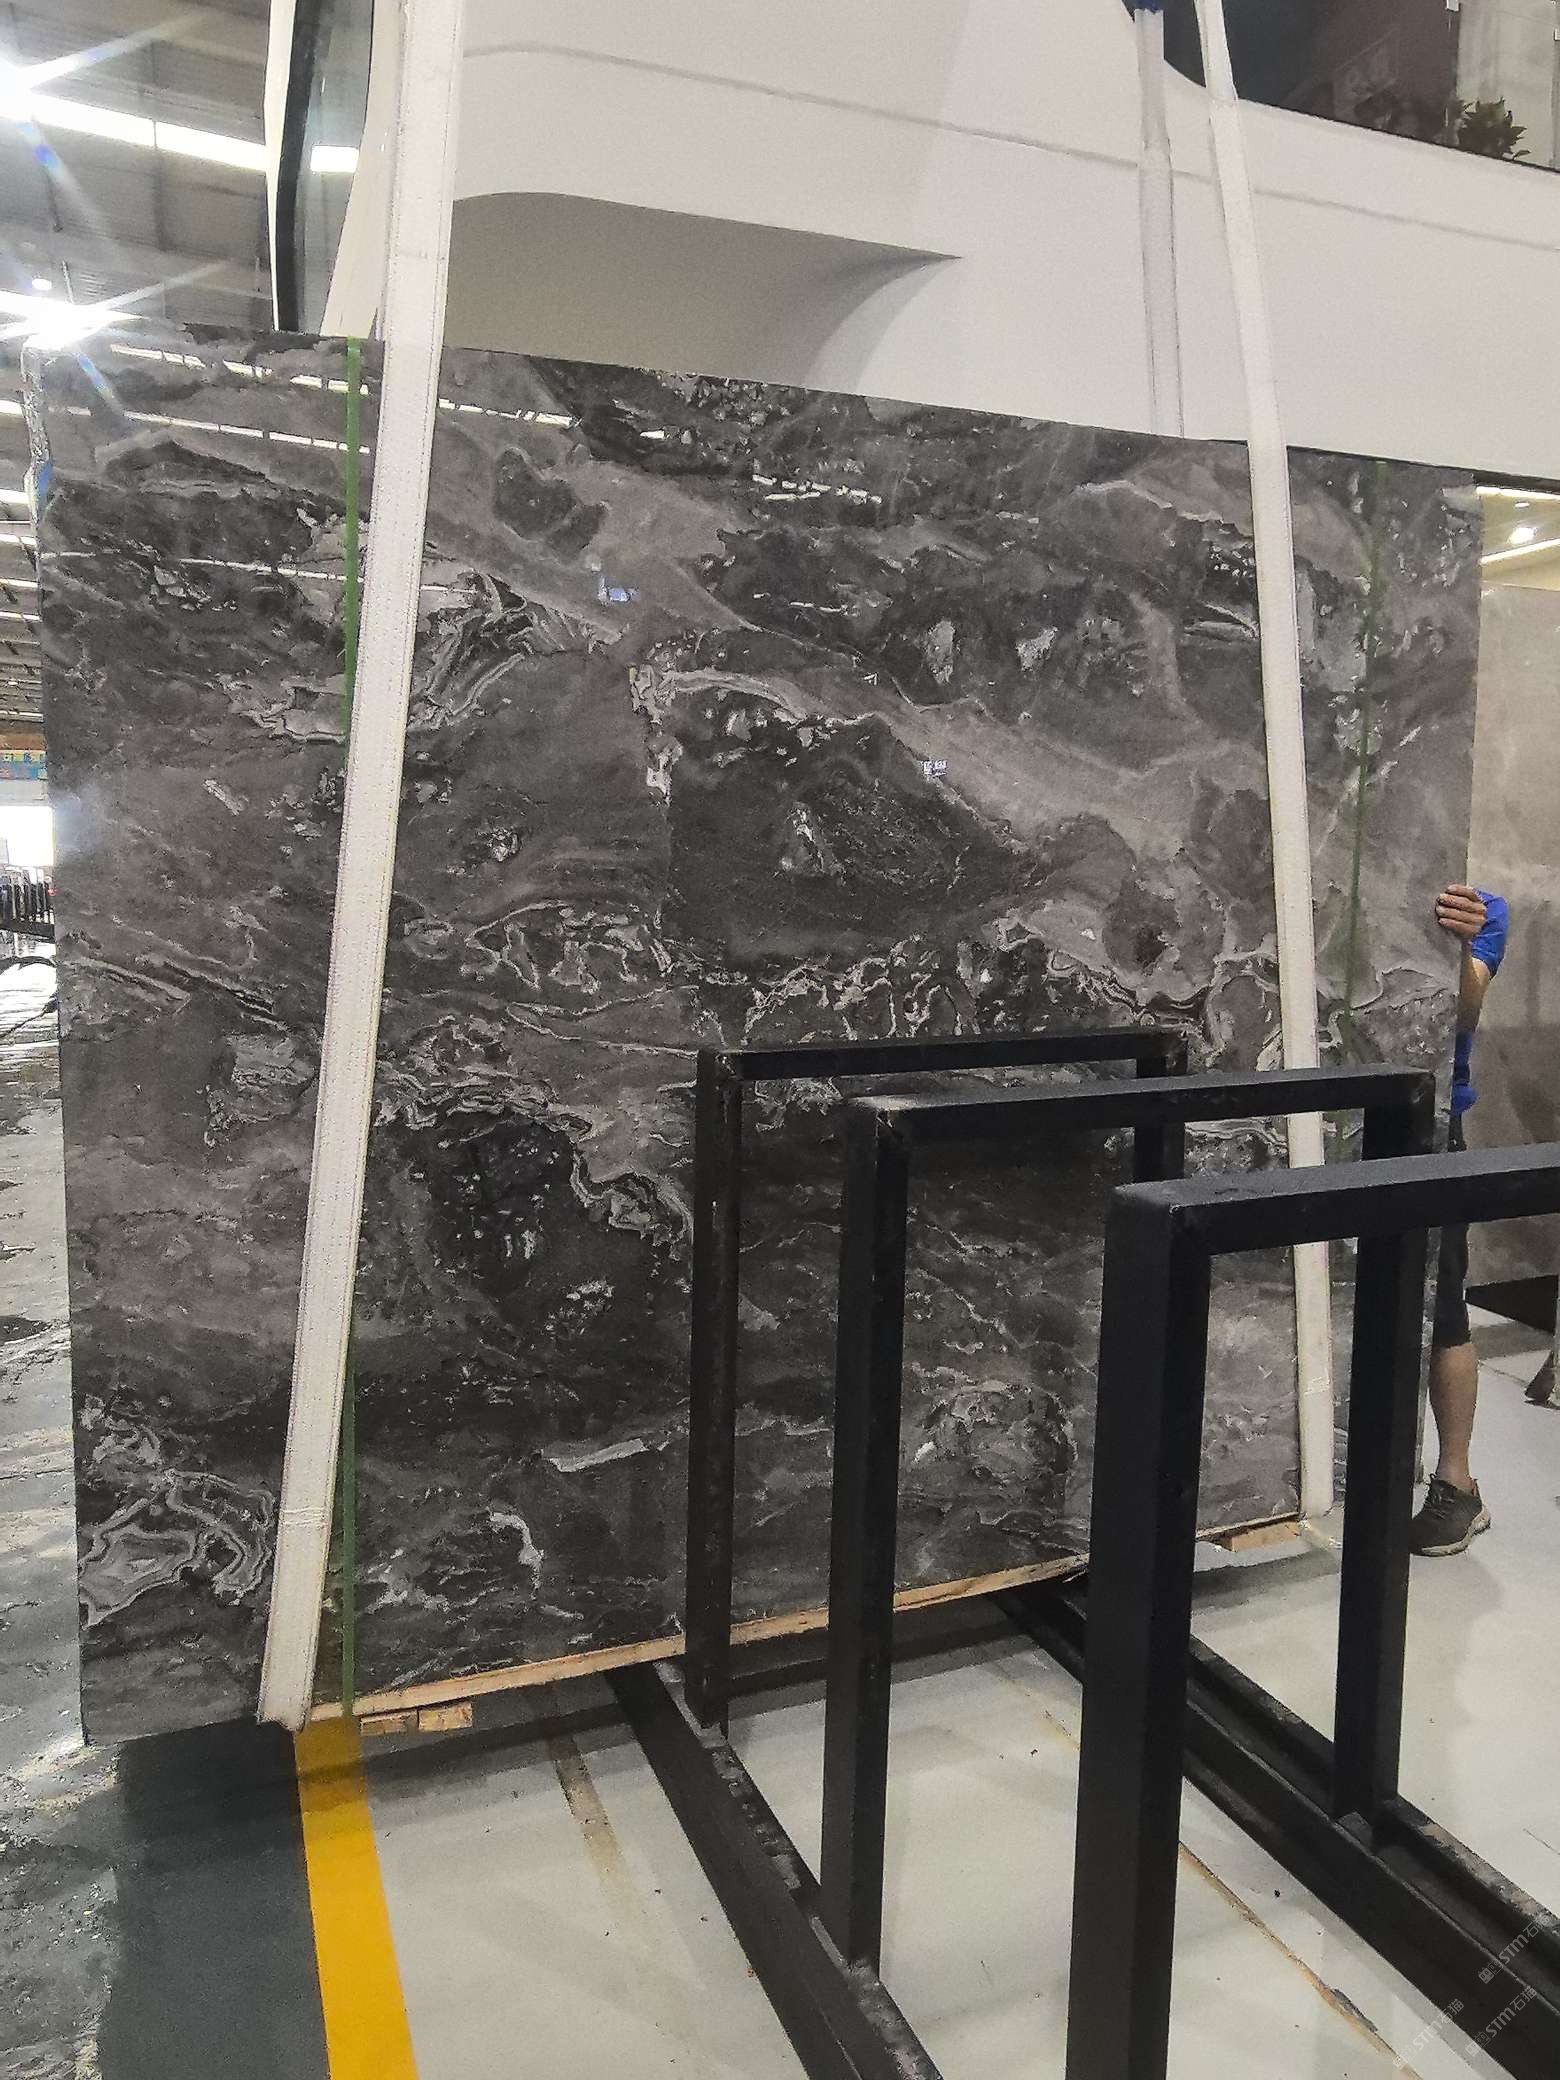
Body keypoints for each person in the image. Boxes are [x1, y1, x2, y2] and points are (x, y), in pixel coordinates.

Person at [1408, 883, 1510, 1557]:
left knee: (1443, 1305)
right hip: (1323, 1118)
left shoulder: (1483, 906)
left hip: (1429, 1123)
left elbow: (1462, 1015)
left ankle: (1457, 1483)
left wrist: (1460, 947)